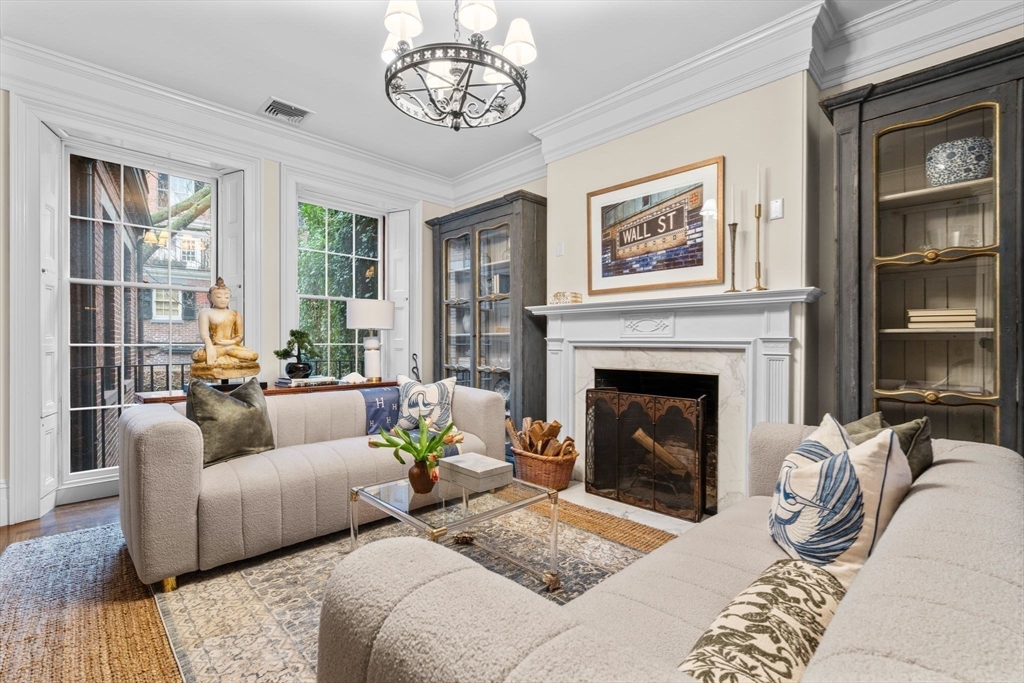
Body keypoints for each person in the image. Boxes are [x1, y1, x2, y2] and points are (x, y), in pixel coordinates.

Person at [191, 277, 259, 366]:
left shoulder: (235, 314)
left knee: (253, 355)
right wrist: (209, 346)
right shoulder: (205, 313)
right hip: (215, 346)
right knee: (198, 356)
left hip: (232, 346)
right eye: (218, 297)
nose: (223, 300)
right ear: (209, 297)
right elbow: (204, 334)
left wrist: (231, 343)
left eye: (226, 297)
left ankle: (226, 350)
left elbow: (239, 336)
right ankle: (225, 351)